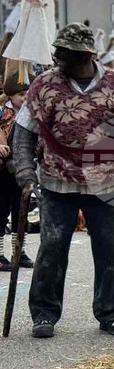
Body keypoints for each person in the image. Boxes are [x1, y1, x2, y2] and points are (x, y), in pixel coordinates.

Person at [12, 23, 114, 338]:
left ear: (83, 55)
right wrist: (26, 174)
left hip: (104, 183)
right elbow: (23, 133)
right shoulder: (44, 84)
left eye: (63, 53)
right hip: (57, 182)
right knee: (52, 247)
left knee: (109, 248)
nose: (56, 56)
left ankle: (110, 313)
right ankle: (43, 314)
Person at [0, 77, 32, 272]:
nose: (25, 97)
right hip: (3, 170)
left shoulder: (30, 113)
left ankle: (19, 252)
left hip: (22, 168)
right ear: (11, 95)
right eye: (21, 94)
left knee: (22, 211)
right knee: (0, 212)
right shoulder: (3, 112)